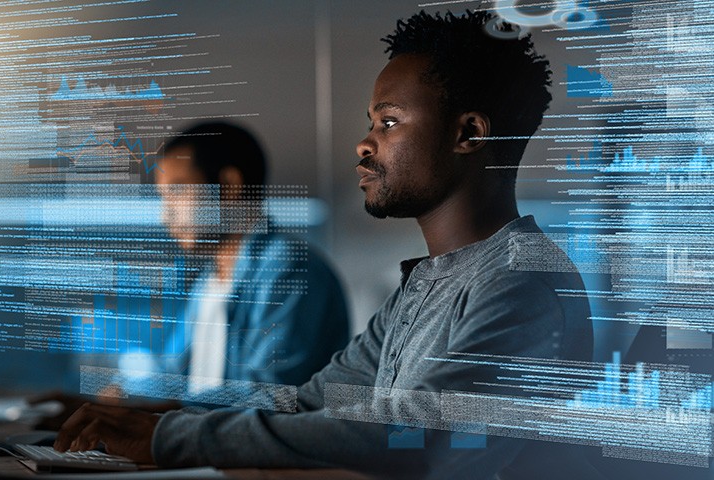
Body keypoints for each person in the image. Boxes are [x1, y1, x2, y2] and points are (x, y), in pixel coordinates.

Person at [54, 11, 596, 479]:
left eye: (388, 122)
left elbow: (413, 438)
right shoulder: (427, 285)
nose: (364, 143)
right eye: (371, 123)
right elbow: (310, 400)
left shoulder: (522, 282)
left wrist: (167, 436)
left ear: (468, 135)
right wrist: (158, 414)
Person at [122, 122, 351, 397]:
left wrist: (166, 416)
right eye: (163, 197)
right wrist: (124, 401)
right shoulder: (210, 281)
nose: (165, 215)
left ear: (229, 186)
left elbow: (268, 394)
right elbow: (174, 374)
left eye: (177, 190)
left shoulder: (290, 269)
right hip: (200, 437)